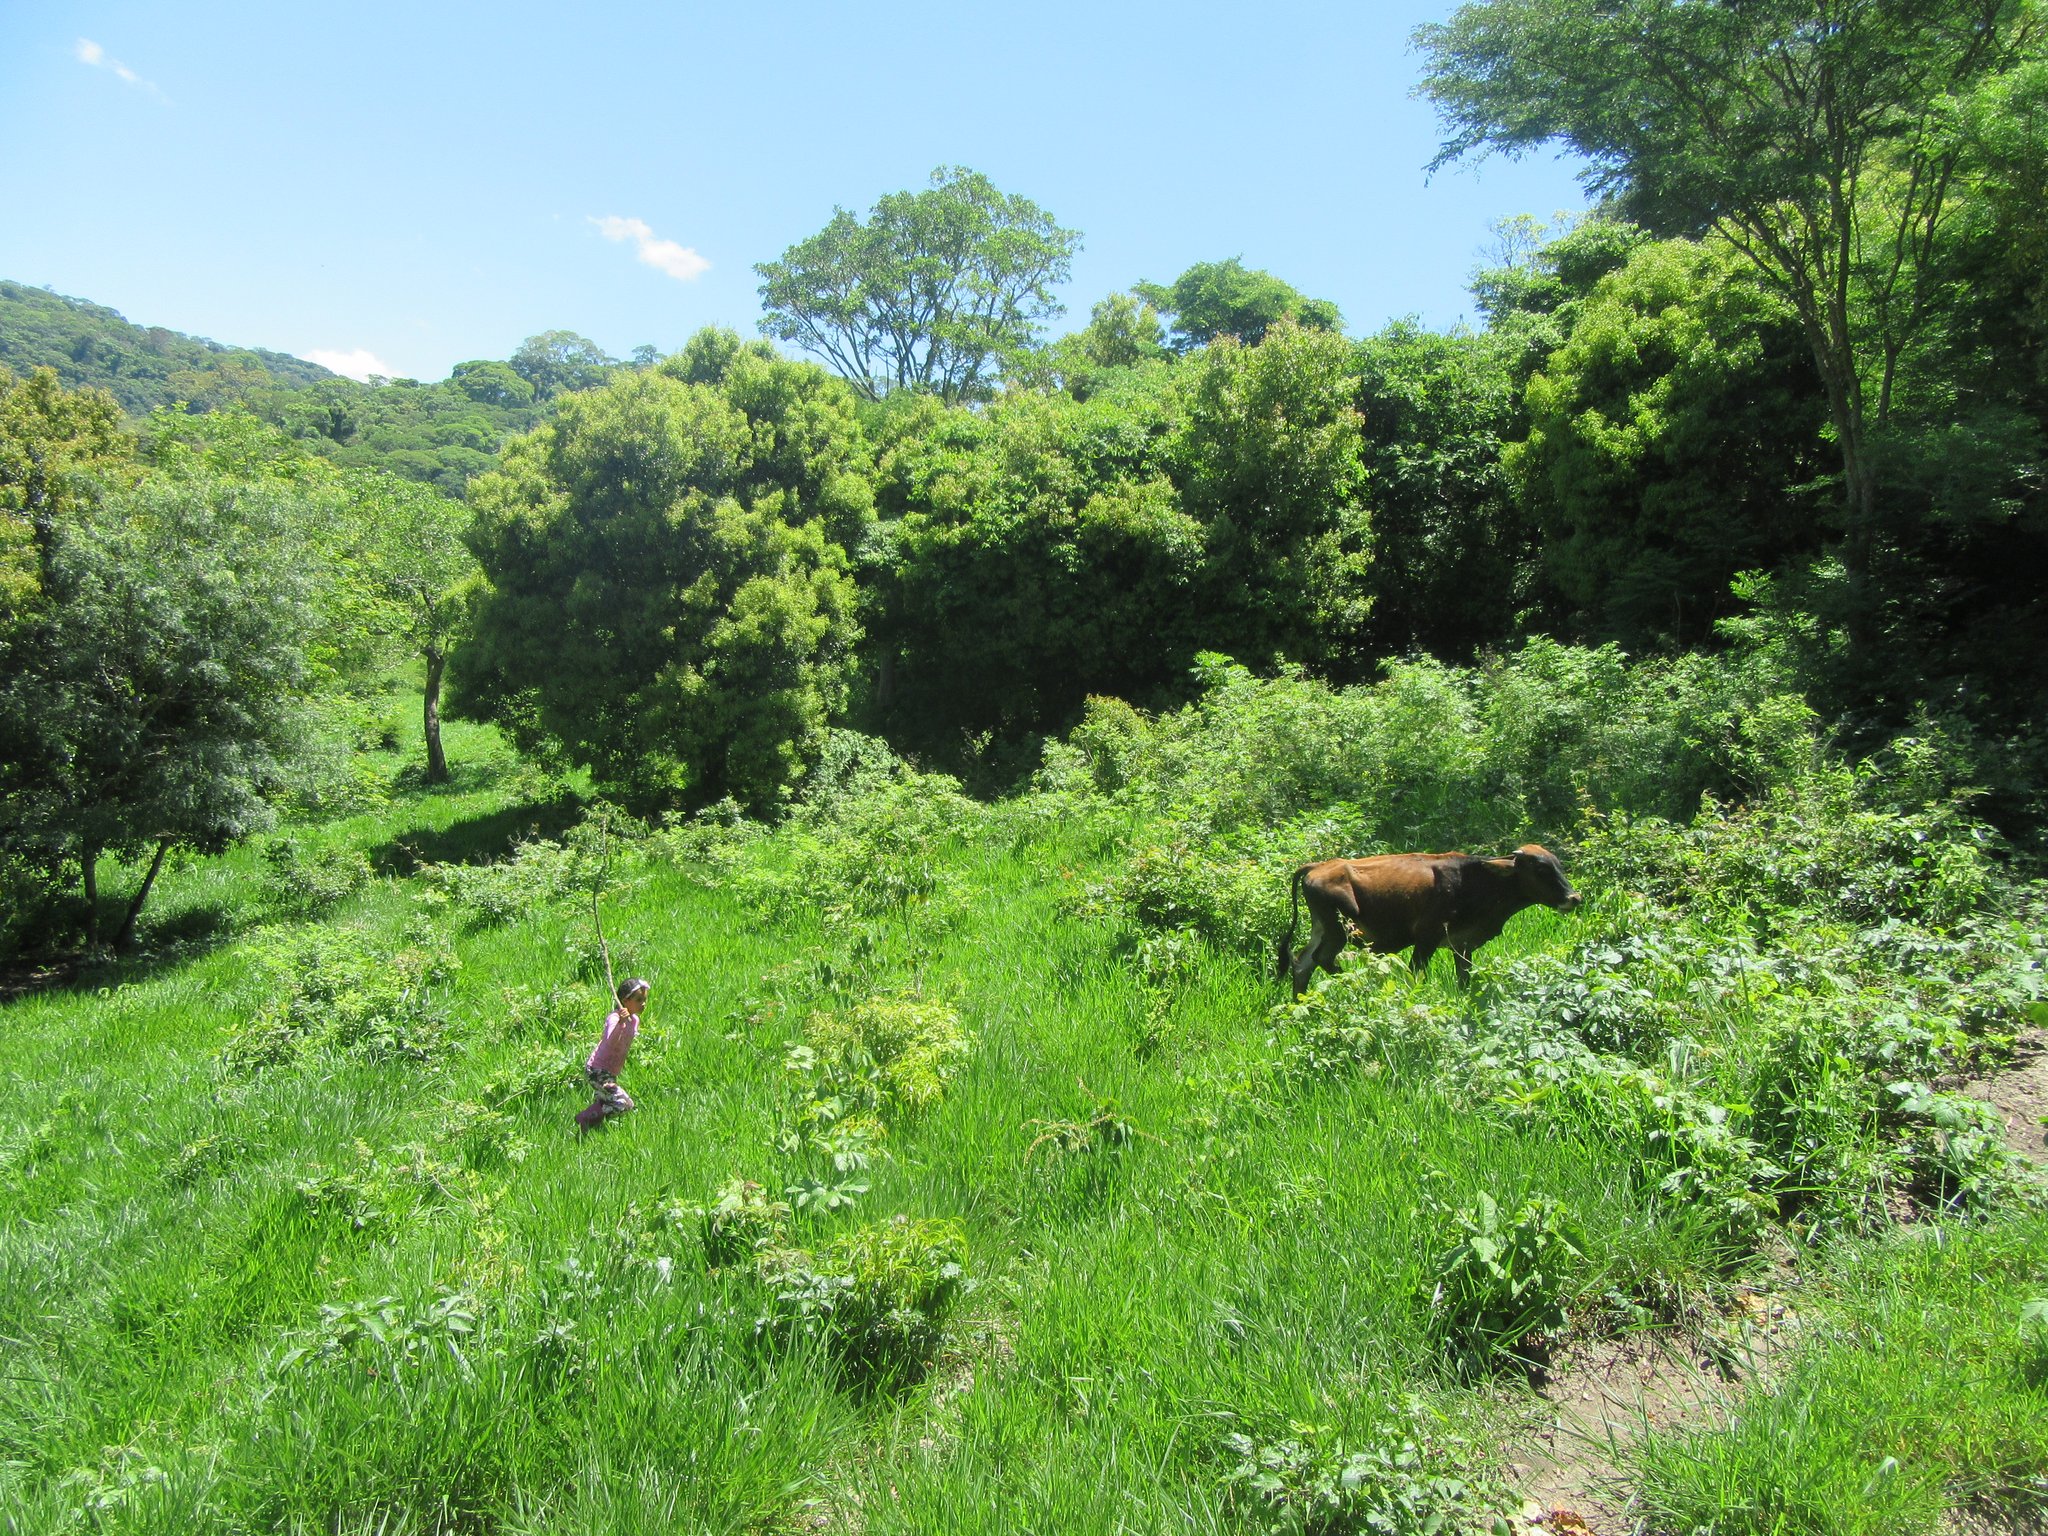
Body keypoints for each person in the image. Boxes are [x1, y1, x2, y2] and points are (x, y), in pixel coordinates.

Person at [576, 978, 649, 1131]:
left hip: (610, 1072)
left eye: (644, 999)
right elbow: (610, 1040)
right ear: (625, 1001)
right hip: (597, 1071)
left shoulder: (634, 1020)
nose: (643, 1003)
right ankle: (587, 1117)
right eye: (638, 1000)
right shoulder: (614, 1018)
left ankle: (591, 1124)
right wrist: (621, 1023)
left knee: (607, 1102)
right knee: (624, 1104)